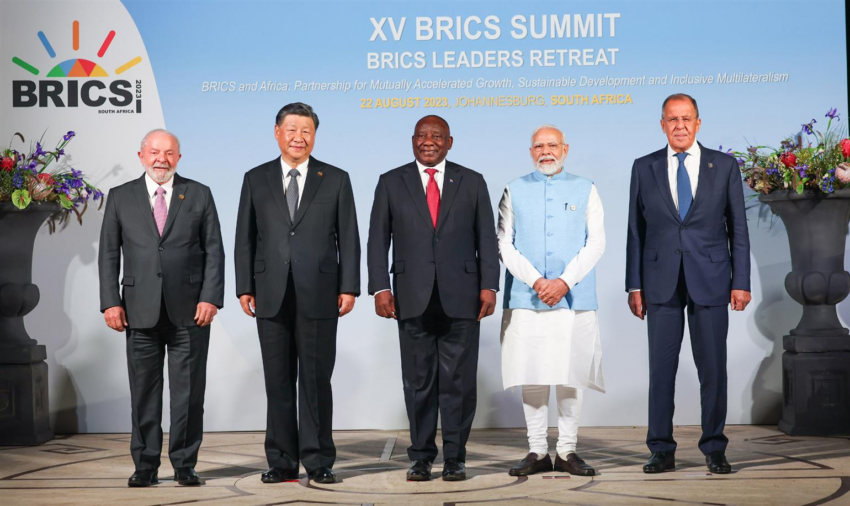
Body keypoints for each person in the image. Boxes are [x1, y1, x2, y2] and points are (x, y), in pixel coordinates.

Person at [367, 115, 499, 482]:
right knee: (418, 382)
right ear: (412, 141)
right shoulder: (391, 182)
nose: (429, 141)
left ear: (450, 142)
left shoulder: (471, 181)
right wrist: (380, 287)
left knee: (458, 383)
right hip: (410, 298)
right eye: (422, 136)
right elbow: (377, 240)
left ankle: (455, 458)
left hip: (463, 297)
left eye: (436, 136)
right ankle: (422, 457)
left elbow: (486, 237)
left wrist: (489, 284)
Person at [234, 102, 360, 485]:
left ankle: (319, 459)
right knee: (278, 381)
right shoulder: (256, 178)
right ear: (277, 132)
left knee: (316, 381)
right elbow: (245, 238)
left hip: (321, 292)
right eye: (291, 129)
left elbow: (349, 238)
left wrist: (349, 286)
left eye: (306, 131)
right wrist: (244, 287)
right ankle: (282, 461)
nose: (298, 137)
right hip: (269, 293)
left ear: (314, 136)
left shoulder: (335, 178)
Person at [625, 93, 751, 475]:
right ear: (661, 124)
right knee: (660, 370)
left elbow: (738, 230)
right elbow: (635, 231)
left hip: (712, 280)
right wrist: (634, 285)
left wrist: (740, 281)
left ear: (698, 123)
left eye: (686, 118)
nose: (680, 125)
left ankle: (714, 447)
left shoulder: (725, 166)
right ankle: (661, 449)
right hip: (659, 282)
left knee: (713, 368)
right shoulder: (643, 166)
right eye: (672, 119)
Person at [98, 129, 225, 488]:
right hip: (137, 312)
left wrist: (210, 297)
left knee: (188, 396)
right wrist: (110, 301)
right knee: (144, 394)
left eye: (169, 153)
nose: (161, 159)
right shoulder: (121, 197)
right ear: (141, 156)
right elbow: (109, 254)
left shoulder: (199, 193)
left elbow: (214, 250)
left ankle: (185, 464)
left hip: (190, 313)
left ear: (179, 159)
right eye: (154, 152)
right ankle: (145, 465)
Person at [498, 125, 606, 477]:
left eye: (552, 145)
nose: (546, 151)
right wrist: (538, 281)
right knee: (533, 371)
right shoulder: (514, 189)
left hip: (574, 298)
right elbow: (503, 244)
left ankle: (568, 450)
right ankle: (536, 450)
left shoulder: (585, 188)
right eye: (539, 146)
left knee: (570, 373)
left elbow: (596, 243)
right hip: (527, 297)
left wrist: (563, 282)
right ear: (531, 152)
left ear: (566, 148)